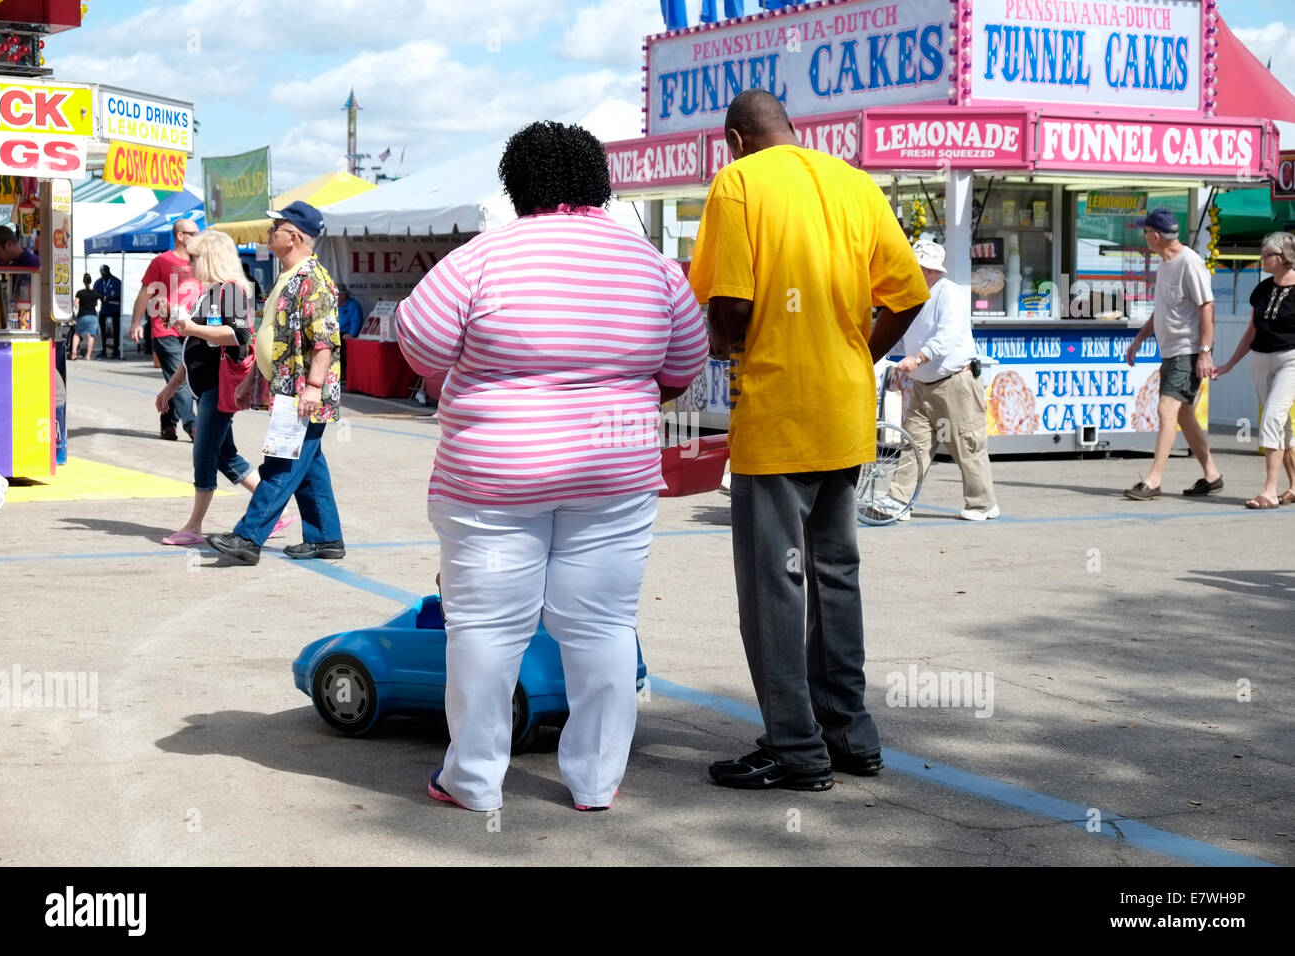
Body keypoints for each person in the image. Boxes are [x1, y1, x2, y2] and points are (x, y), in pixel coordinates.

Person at [396, 120, 707, 813]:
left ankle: (473, 782)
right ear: (602, 182)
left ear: (516, 187)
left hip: (494, 475)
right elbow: (685, 363)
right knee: (601, 625)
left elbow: (418, 343)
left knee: (485, 627)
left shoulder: (483, 258)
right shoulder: (651, 264)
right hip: (613, 472)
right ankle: (595, 782)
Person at [688, 90, 928, 792]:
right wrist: (858, 350)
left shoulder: (738, 183)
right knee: (834, 574)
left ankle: (795, 748)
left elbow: (731, 307)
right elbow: (907, 294)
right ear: (791, 130)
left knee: (775, 587)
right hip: (844, 409)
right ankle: (850, 734)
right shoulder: (854, 183)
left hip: (778, 409)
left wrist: (721, 346)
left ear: (734, 139)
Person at [207, 201, 345, 566]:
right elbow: (276, 335)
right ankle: (326, 538)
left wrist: (314, 387)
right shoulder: (288, 276)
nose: (268, 235)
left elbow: (324, 341)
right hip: (289, 388)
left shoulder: (313, 281)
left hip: (304, 392)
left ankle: (248, 537)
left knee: (281, 464)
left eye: (275, 229)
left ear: (294, 237)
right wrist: (254, 375)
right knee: (309, 466)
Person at [154, 230, 297, 546]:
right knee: (224, 455)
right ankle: (272, 510)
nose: (188, 262)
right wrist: (171, 387)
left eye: (193, 256)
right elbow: (195, 344)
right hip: (208, 386)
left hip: (219, 387)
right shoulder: (214, 291)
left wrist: (191, 327)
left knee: (204, 453)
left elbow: (240, 336)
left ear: (209, 258)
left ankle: (194, 526)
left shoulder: (230, 290)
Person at [878, 239, 1000, 521]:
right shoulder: (912, 294)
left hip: (954, 382)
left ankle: (982, 503)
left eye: (920, 268)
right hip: (921, 384)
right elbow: (903, 334)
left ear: (931, 271)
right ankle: (899, 500)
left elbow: (945, 336)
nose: (915, 271)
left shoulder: (950, 293)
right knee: (914, 444)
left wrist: (917, 358)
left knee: (967, 444)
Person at [1122, 208, 1223, 500]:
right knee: (1184, 415)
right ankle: (1212, 475)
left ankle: (1153, 481)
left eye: (1145, 232)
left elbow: (1207, 307)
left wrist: (1204, 353)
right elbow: (1164, 309)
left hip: (1188, 350)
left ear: (1155, 236)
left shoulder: (1189, 262)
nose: (1144, 237)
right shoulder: (1165, 264)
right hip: (1170, 351)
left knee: (1167, 409)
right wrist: (1140, 338)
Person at [1213, 231, 1295, 509]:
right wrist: (1228, 365)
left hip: (1291, 360)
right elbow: (1251, 332)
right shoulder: (1261, 289)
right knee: (1281, 425)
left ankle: (1269, 491)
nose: (1262, 258)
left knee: (1272, 418)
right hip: (1260, 359)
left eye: (1266, 254)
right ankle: (1294, 487)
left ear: (1284, 258)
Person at [130, 219, 201, 441]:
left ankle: (167, 425)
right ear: (180, 235)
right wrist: (135, 323)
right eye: (193, 233)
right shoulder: (161, 261)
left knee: (177, 379)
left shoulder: (200, 263)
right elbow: (145, 293)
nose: (198, 237)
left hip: (192, 329)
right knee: (182, 380)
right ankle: (194, 426)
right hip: (165, 330)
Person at [94, 265, 123, 359]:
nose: (103, 274)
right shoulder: (99, 282)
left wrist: (108, 298)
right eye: (102, 272)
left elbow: (120, 295)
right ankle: (104, 349)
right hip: (104, 310)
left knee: (116, 330)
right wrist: (101, 297)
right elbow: (95, 293)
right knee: (103, 331)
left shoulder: (116, 281)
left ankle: (116, 349)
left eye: (105, 272)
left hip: (115, 309)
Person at [70, 274, 101, 361]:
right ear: (91, 281)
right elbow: (97, 303)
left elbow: (75, 305)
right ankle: (88, 355)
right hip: (93, 316)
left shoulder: (80, 293)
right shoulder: (95, 293)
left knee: (77, 334)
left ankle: (74, 353)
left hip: (82, 316)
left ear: (83, 281)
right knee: (91, 336)